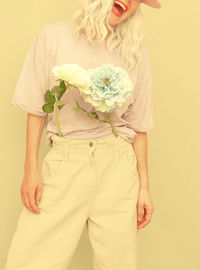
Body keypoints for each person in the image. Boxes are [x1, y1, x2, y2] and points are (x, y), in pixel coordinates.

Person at [5, 0, 161, 269]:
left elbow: (139, 126)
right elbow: (35, 108)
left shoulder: (134, 54)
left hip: (119, 167)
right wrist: (30, 168)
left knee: (119, 264)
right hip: (66, 160)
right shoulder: (52, 37)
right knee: (29, 261)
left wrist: (144, 187)